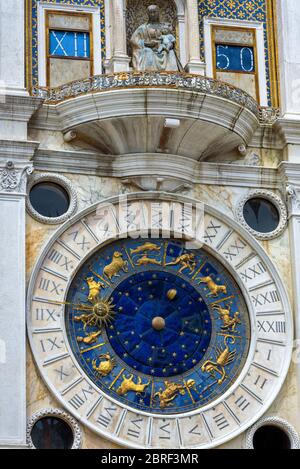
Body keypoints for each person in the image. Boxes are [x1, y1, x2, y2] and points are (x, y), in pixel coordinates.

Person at [131, 5, 179, 72]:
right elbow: (134, 41)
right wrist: (145, 43)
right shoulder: (143, 28)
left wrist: (168, 45)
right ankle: (148, 73)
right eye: (150, 13)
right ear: (148, 14)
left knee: (171, 53)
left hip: (163, 49)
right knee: (148, 51)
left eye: (154, 12)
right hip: (148, 49)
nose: (152, 14)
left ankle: (172, 73)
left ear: (158, 13)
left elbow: (171, 40)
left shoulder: (164, 26)